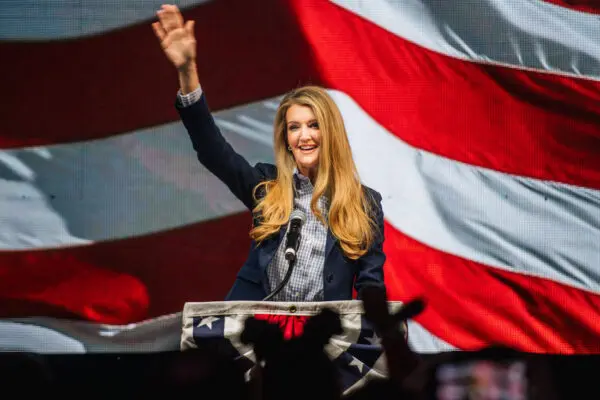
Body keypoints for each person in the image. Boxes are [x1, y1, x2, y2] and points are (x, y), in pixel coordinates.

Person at [152, 4, 386, 302]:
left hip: (322, 341)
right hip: (260, 338)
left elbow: (371, 287)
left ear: (331, 133)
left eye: (314, 125)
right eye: (294, 128)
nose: (304, 136)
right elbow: (214, 152)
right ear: (286, 139)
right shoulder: (267, 187)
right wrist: (187, 72)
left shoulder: (365, 204)